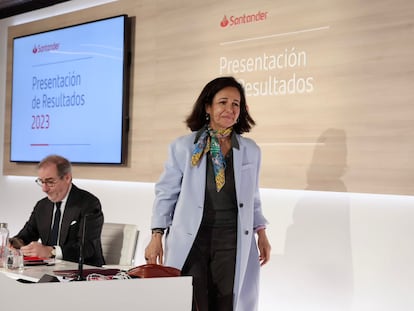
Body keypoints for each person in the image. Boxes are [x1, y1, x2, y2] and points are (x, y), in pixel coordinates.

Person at [145, 76, 271, 311]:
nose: (230, 109)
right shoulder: (184, 146)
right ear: (207, 107)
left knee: (226, 303)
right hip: (193, 240)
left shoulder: (250, 150)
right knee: (192, 302)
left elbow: (252, 197)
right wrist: (156, 236)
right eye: (223, 102)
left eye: (236, 104)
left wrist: (261, 233)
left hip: (232, 241)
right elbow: (166, 194)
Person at [9, 155, 105, 267]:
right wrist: (12, 244)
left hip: (83, 271)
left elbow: (87, 248)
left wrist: (51, 251)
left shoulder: (88, 204)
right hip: (48, 269)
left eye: (50, 182)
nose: (44, 189)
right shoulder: (42, 206)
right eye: (41, 182)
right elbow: (26, 235)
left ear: (67, 178)